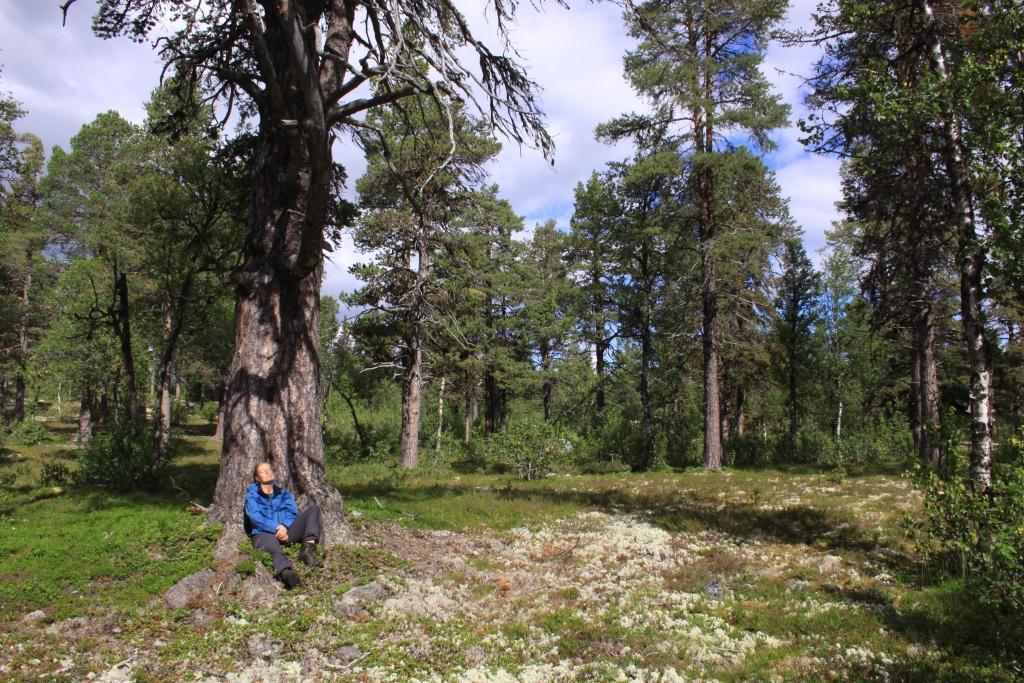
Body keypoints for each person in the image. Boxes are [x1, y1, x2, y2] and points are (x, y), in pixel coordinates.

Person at [244, 461, 322, 589]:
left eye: (269, 469)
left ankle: (307, 550)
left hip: (286, 531)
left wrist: (284, 526)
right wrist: (276, 527)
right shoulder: (252, 496)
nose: (268, 471)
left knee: (314, 510)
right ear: (257, 478)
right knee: (274, 550)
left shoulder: (283, 493)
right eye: (263, 471)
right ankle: (288, 575)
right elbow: (256, 518)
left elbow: (292, 512)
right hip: (263, 533)